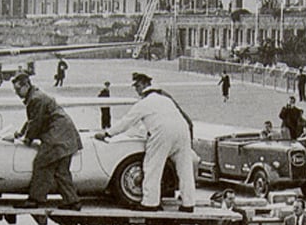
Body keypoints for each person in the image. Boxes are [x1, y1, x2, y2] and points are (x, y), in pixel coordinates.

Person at [94, 72, 196, 212]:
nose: (136, 90)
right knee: (185, 169)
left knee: (152, 166)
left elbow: (127, 122)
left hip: (162, 132)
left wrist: (107, 133)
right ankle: (188, 203)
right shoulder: (167, 100)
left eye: (137, 87)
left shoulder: (144, 103)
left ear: (143, 86)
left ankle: (150, 203)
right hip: (182, 130)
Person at [12, 72, 82, 210]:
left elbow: (35, 123)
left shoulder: (35, 99)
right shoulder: (37, 96)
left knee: (41, 164)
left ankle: (35, 200)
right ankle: (73, 201)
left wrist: (27, 139)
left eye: (18, 89)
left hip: (57, 136)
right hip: (66, 135)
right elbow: (32, 120)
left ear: (26, 85)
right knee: (61, 171)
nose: (17, 93)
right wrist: (21, 132)